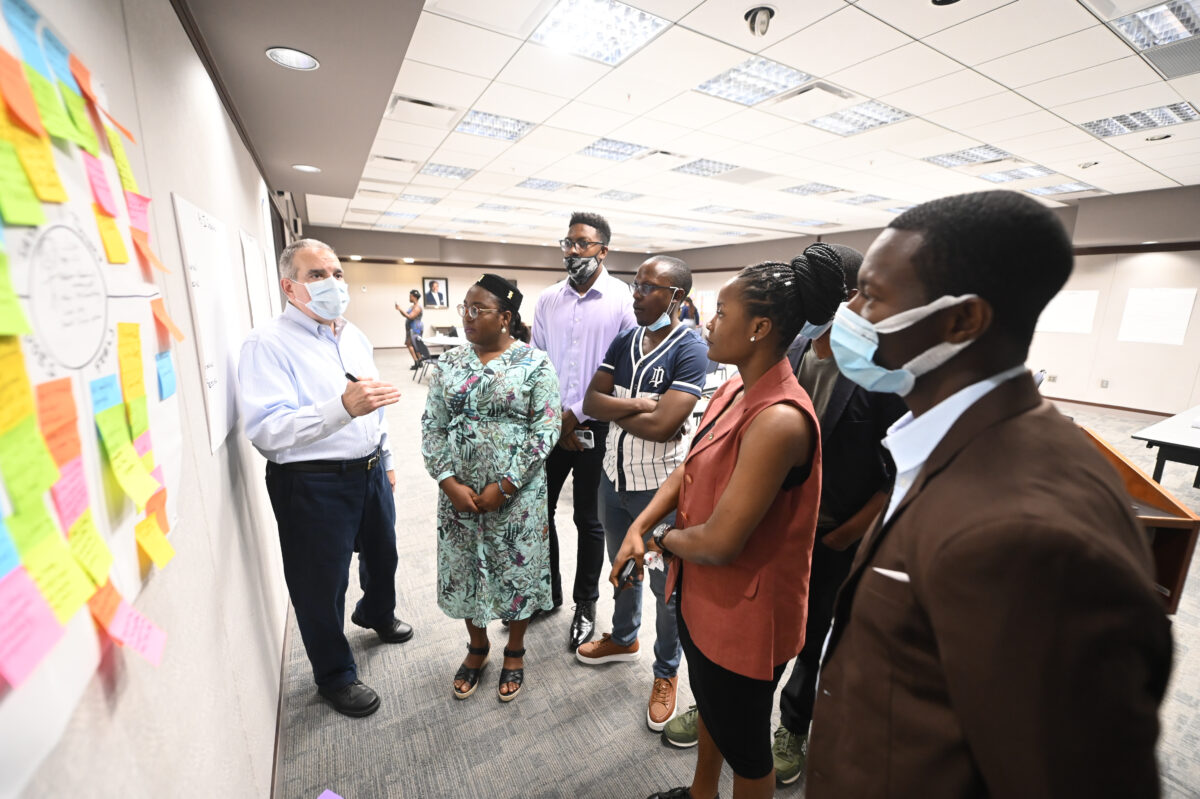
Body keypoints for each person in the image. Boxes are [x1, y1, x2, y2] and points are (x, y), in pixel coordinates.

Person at [806, 190, 1173, 797]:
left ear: (961, 321)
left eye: (869, 295)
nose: (850, 311)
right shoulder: (945, 443)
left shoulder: (1025, 535)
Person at [660, 245, 906, 786]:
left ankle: (792, 725)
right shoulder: (784, 350)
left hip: (827, 534)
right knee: (738, 685)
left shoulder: (880, 371)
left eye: (859, 293)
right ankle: (726, 714)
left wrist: (847, 533)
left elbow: (899, 471)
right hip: (759, 530)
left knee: (809, 637)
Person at [612, 253, 846, 799]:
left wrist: (656, 539)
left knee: (747, 749)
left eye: (720, 311)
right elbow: (688, 470)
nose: (708, 322)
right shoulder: (736, 388)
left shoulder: (780, 419)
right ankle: (700, 794)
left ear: (760, 328)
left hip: (748, 614)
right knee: (713, 709)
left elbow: (720, 542)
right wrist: (642, 523)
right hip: (705, 595)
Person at [238, 238, 413, 719]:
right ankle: (334, 674)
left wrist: (388, 456)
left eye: (337, 274)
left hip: (371, 470)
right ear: (288, 287)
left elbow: (372, 402)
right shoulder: (266, 344)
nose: (332, 284)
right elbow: (267, 431)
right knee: (321, 582)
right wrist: (339, 409)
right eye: (317, 275)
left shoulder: (351, 335)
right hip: (311, 483)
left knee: (384, 554)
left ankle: (375, 612)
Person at [578, 255, 709, 731]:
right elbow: (591, 402)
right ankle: (624, 637)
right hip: (613, 479)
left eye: (648, 287)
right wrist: (636, 404)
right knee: (623, 566)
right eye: (635, 285)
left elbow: (666, 425)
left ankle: (665, 673)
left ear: (676, 297)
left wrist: (626, 411)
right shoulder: (626, 338)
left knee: (665, 586)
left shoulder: (691, 349)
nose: (636, 294)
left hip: (659, 488)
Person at [421, 274, 560, 702]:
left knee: (515, 569)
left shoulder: (535, 364)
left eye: (477, 309)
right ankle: (478, 647)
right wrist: (447, 481)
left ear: (505, 317)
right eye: (464, 307)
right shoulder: (449, 364)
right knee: (467, 568)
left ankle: (514, 650)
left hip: (518, 497)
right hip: (459, 496)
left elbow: (547, 427)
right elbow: (432, 425)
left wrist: (508, 482)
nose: (467, 316)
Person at [532, 211, 636, 650]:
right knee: (540, 513)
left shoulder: (622, 299)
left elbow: (624, 368)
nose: (573, 251)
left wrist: (574, 414)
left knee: (589, 520)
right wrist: (557, 420)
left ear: (603, 250)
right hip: (550, 428)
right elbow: (535, 365)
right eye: (568, 243)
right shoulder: (548, 300)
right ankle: (548, 593)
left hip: (599, 429)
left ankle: (585, 604)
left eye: (582, 243)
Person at [395, 289, 423, 369]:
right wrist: (399, 310)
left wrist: (400, 309)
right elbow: (406, 315)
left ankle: (417, 361)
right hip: (411, 328)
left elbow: (410, 317)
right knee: (414, 345)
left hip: (415, 328)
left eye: (410, 296)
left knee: (410, 344)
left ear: (414, 297)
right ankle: (420, 361)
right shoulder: (413, 306)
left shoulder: (417, 307)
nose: (409, 298)